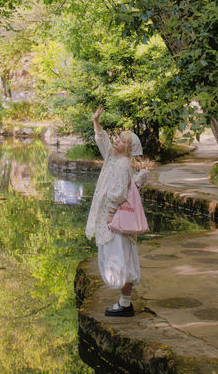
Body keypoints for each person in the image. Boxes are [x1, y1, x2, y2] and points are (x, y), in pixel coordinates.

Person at [85, 105, 145, 318]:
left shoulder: (121, 164)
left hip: (115, 219)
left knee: (119, 255)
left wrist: (110, 213)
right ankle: (124, 302)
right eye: (117, 139)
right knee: (122, 256)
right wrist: (96, 122)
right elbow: (103, 142)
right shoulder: (114, 158)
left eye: (121, 141)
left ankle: (125, 303)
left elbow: (118, 192)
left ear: (127, 148)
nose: (116, 141)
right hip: (113, 217)